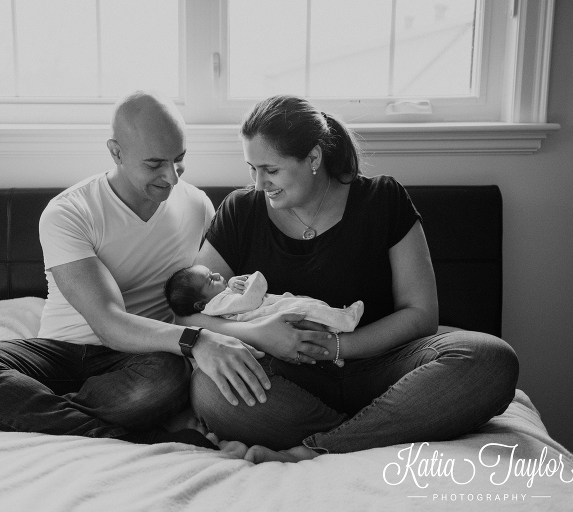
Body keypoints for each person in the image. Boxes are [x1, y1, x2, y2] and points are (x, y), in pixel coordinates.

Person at [0, 91, 285, 449]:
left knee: (169, 376)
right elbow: (109, 322)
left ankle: (40, 413)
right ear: (116, 152)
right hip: (63, 354)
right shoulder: (69, 213)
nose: (171, 178)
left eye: (179, 160)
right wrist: (197, 341)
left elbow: (208, 296)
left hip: (144, 361)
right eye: (154, 164)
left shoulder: (197, 205)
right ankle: (123, 434)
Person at [181, 94, 519, 463]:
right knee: (210, 387)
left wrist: (337, 347)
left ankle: (321, 446)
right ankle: (388, 426)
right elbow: (188, 313)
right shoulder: (241, 211)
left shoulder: (382, 200)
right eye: (252, 169)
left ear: (313, 158)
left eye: (271, 170)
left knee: (491, 359)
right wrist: (260, 335)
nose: (259, 184)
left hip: (385, 368)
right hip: (291, 380)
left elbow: (421, 313)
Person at [164, 266, 364, 359]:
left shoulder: (217, 301)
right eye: (210, 280)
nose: (217, 275)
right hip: (273, 316)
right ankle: (345, 320)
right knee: (307, 309)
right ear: (200, 305)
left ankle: (336, 324)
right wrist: (253, 279)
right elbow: (250, 299)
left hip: (274, 315)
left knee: (311, 308)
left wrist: (233, 284)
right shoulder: (216, 305)